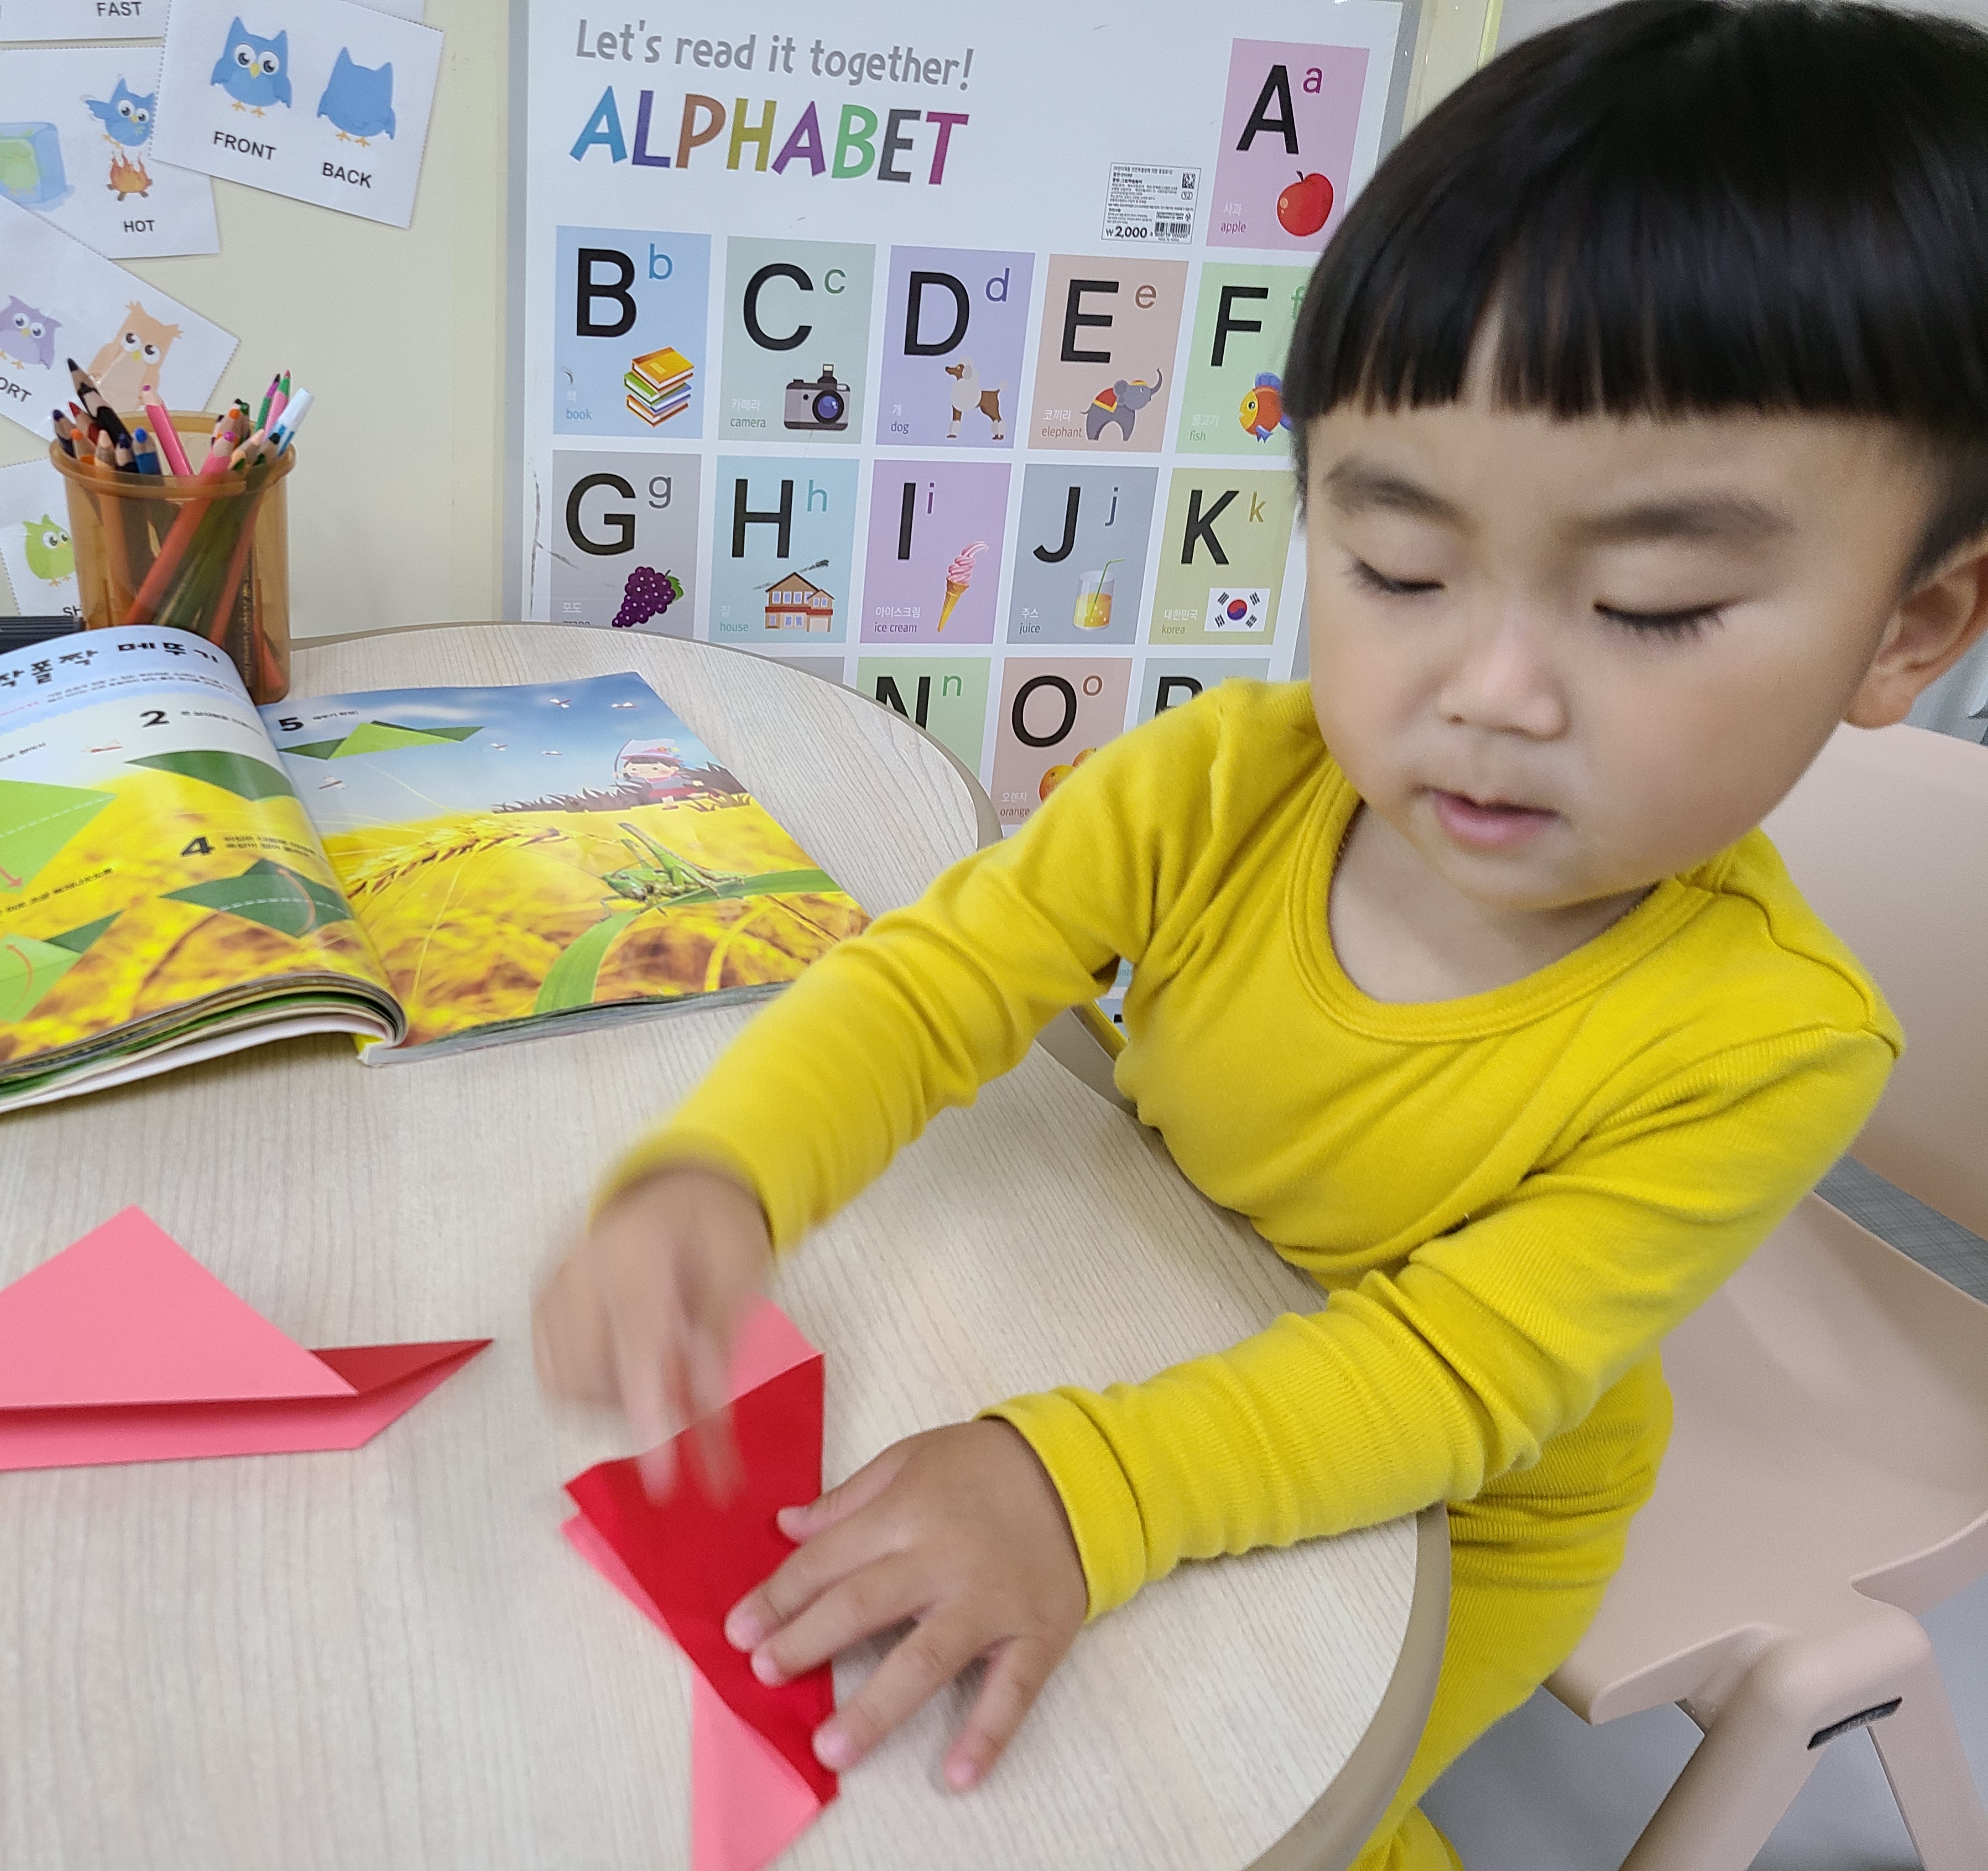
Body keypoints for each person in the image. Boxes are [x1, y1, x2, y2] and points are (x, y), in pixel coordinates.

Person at [530, 2, 1988, 1864]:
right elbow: (941, 979)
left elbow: (1443, 1382)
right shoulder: (1227, 779)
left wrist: (1079, 1486)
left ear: (1908, 631)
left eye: (1648, 604)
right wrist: (723, 1170)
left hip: (1459, 1518)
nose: (1490, 689)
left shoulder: (1766, 1042)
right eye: (1399, 567)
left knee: (1226, 1814)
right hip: (1161, 1294)